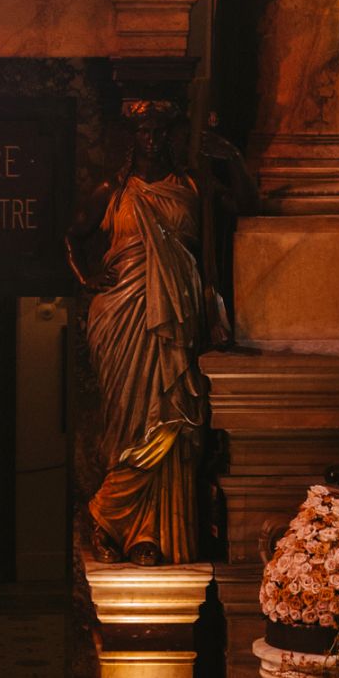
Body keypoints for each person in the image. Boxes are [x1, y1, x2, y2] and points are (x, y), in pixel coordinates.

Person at [67, 100, 209, 564]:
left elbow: (242, 210)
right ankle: (108, 516)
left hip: (175, 317)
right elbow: (71, 235)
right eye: (145, 132)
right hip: (122, 313)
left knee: (168, 416)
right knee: (127, 417)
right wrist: (86, 279)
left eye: (160, 132)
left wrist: (234, 165)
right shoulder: (115, 189)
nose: (153, 139)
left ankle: (149, 534)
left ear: (170, 136)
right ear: (134, 138)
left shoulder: (189, 186)